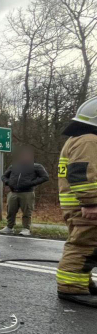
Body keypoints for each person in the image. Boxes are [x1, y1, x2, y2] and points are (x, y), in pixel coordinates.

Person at [55, 96, 97, 307]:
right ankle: (71, 287)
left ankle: (81, 281)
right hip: (85, 205)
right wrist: (90, 202)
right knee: (84, 245)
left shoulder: (80, 139)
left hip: (80, 204)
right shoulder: (89, 140)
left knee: (88, 245)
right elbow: (82, 174)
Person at [0, 147, 49, 236]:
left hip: (27, 193)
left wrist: (32, 183)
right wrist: (8, 182)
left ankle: (26, 228)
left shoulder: (36, 166)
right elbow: (4, 176)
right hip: (13, 192)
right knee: (11, 211)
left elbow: (45, 177)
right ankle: (9, 227)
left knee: (27, 212)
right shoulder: (14, 166)